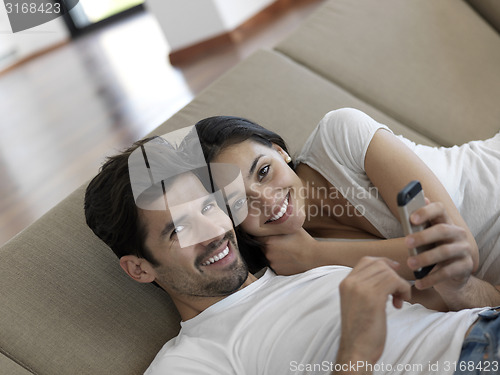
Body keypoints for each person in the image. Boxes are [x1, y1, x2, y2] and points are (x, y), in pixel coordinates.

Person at [84, 129, 500, 374]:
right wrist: (355, 353)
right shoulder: (194, 359)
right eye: (179, 229)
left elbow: (486, 304)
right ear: (139, 269)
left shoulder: (306, 265)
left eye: (210, 207)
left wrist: (459, 287)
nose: (213, 232)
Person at [195, 108, 500, 291]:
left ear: (279, 152)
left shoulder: (339, 135)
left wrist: (315, 254)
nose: (266, 199)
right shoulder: (288, 269)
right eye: (239, 202)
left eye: (263, 171)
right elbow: (440, 299)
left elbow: (456, 252)